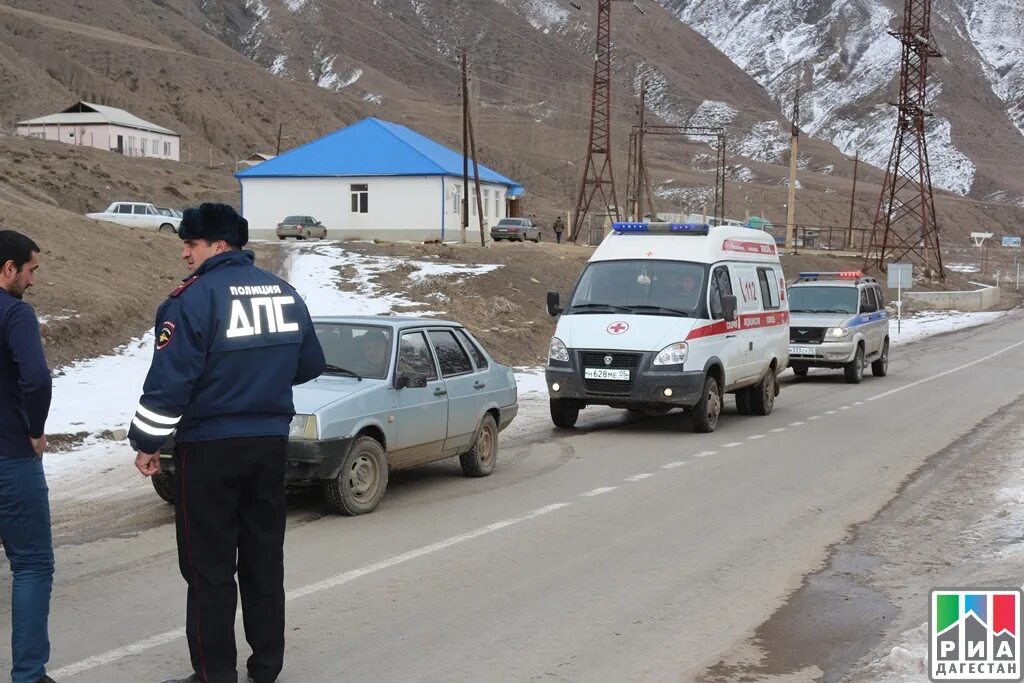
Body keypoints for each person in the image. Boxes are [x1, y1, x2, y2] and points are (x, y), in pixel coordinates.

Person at [128, 204, 326, 683]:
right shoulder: (285, 293)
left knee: (209, 568)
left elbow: (170, 381)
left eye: (190, 245)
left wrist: (147, 441)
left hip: (210, 448)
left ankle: (215, 673)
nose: (184, 254)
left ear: (217, 245)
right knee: (262, 558)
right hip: (269, 446)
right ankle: (266, 669)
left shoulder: (192, 300)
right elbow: (310, 364)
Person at [0, 230, 57, 683]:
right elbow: (37, 380)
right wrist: (35, 431)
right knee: (32, 564)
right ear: (8, 269)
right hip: (10, 457)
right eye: (31, 270)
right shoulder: (15, 314)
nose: (33, 281)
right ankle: (28, 675)